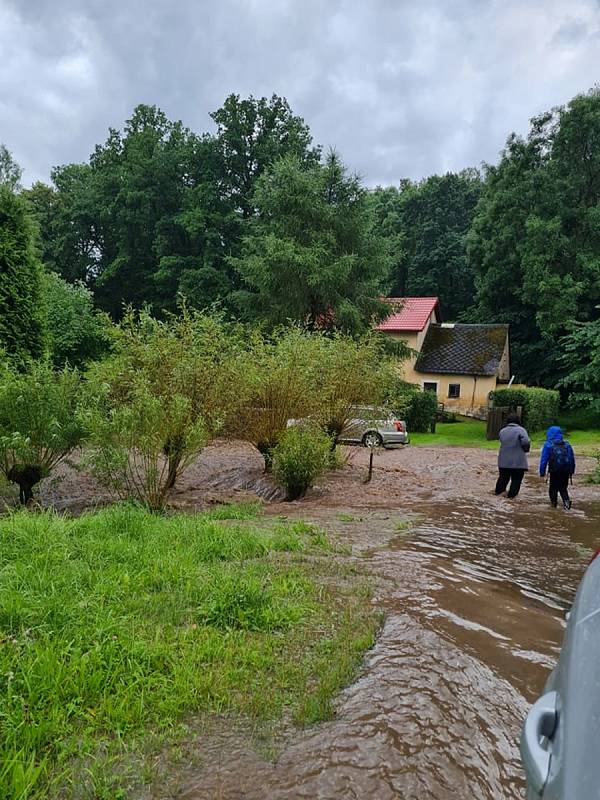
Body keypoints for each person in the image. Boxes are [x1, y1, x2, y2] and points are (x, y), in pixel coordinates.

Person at [539, 425, 575, 510]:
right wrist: (571, 471)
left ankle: (553, 507)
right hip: (566, 471)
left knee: (553, 489)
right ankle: (567, 507)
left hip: (554, 471)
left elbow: (544, 460)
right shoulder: (567, 445)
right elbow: (572, 459)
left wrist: (542, 472)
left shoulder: (548, 445)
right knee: (563, 489)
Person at [495, 413, 530, 498]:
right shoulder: (521, 430)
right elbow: (525, 442)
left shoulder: (502, 431)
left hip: (504, 461)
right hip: (518, 463)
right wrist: (526, 449)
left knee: (503, 479)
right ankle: (511, 498)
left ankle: (498, 494)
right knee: (516, 481)